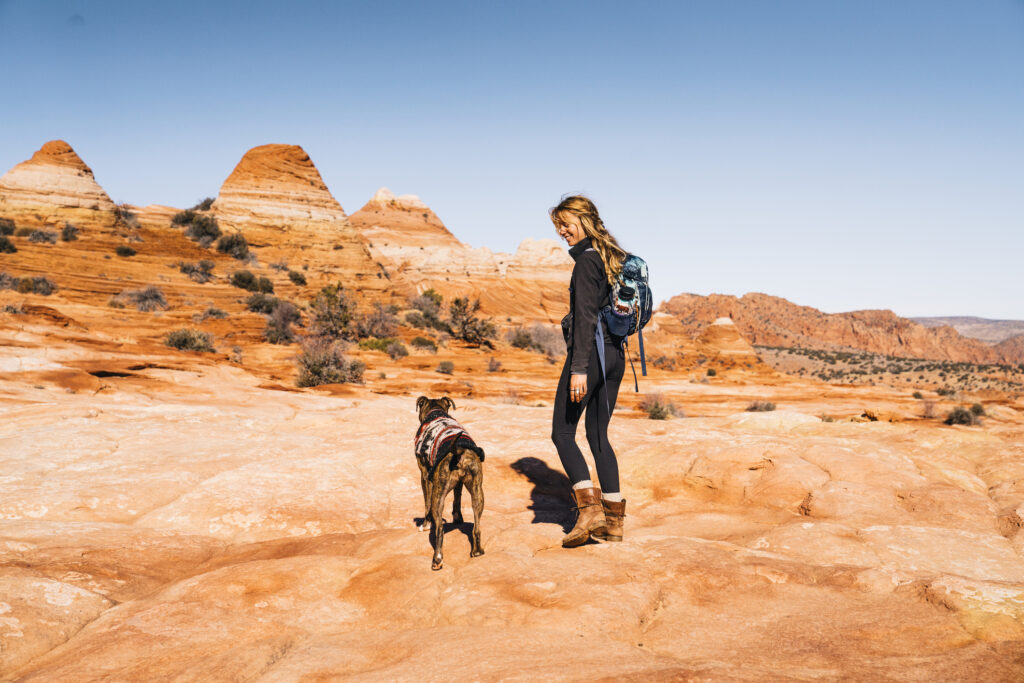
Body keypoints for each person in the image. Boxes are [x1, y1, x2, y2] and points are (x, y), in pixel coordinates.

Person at [549, 195, 628, 547]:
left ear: (584, 221)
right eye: (558, 226)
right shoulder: (612, 258)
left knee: (562, 433)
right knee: (598, 437)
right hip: (616, 356)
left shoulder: (585, 263)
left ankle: (590, 511)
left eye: (566, 224)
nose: (562, 231)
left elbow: (585, 318)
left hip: (591, 357)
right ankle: (614, 523)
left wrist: (579, 368)